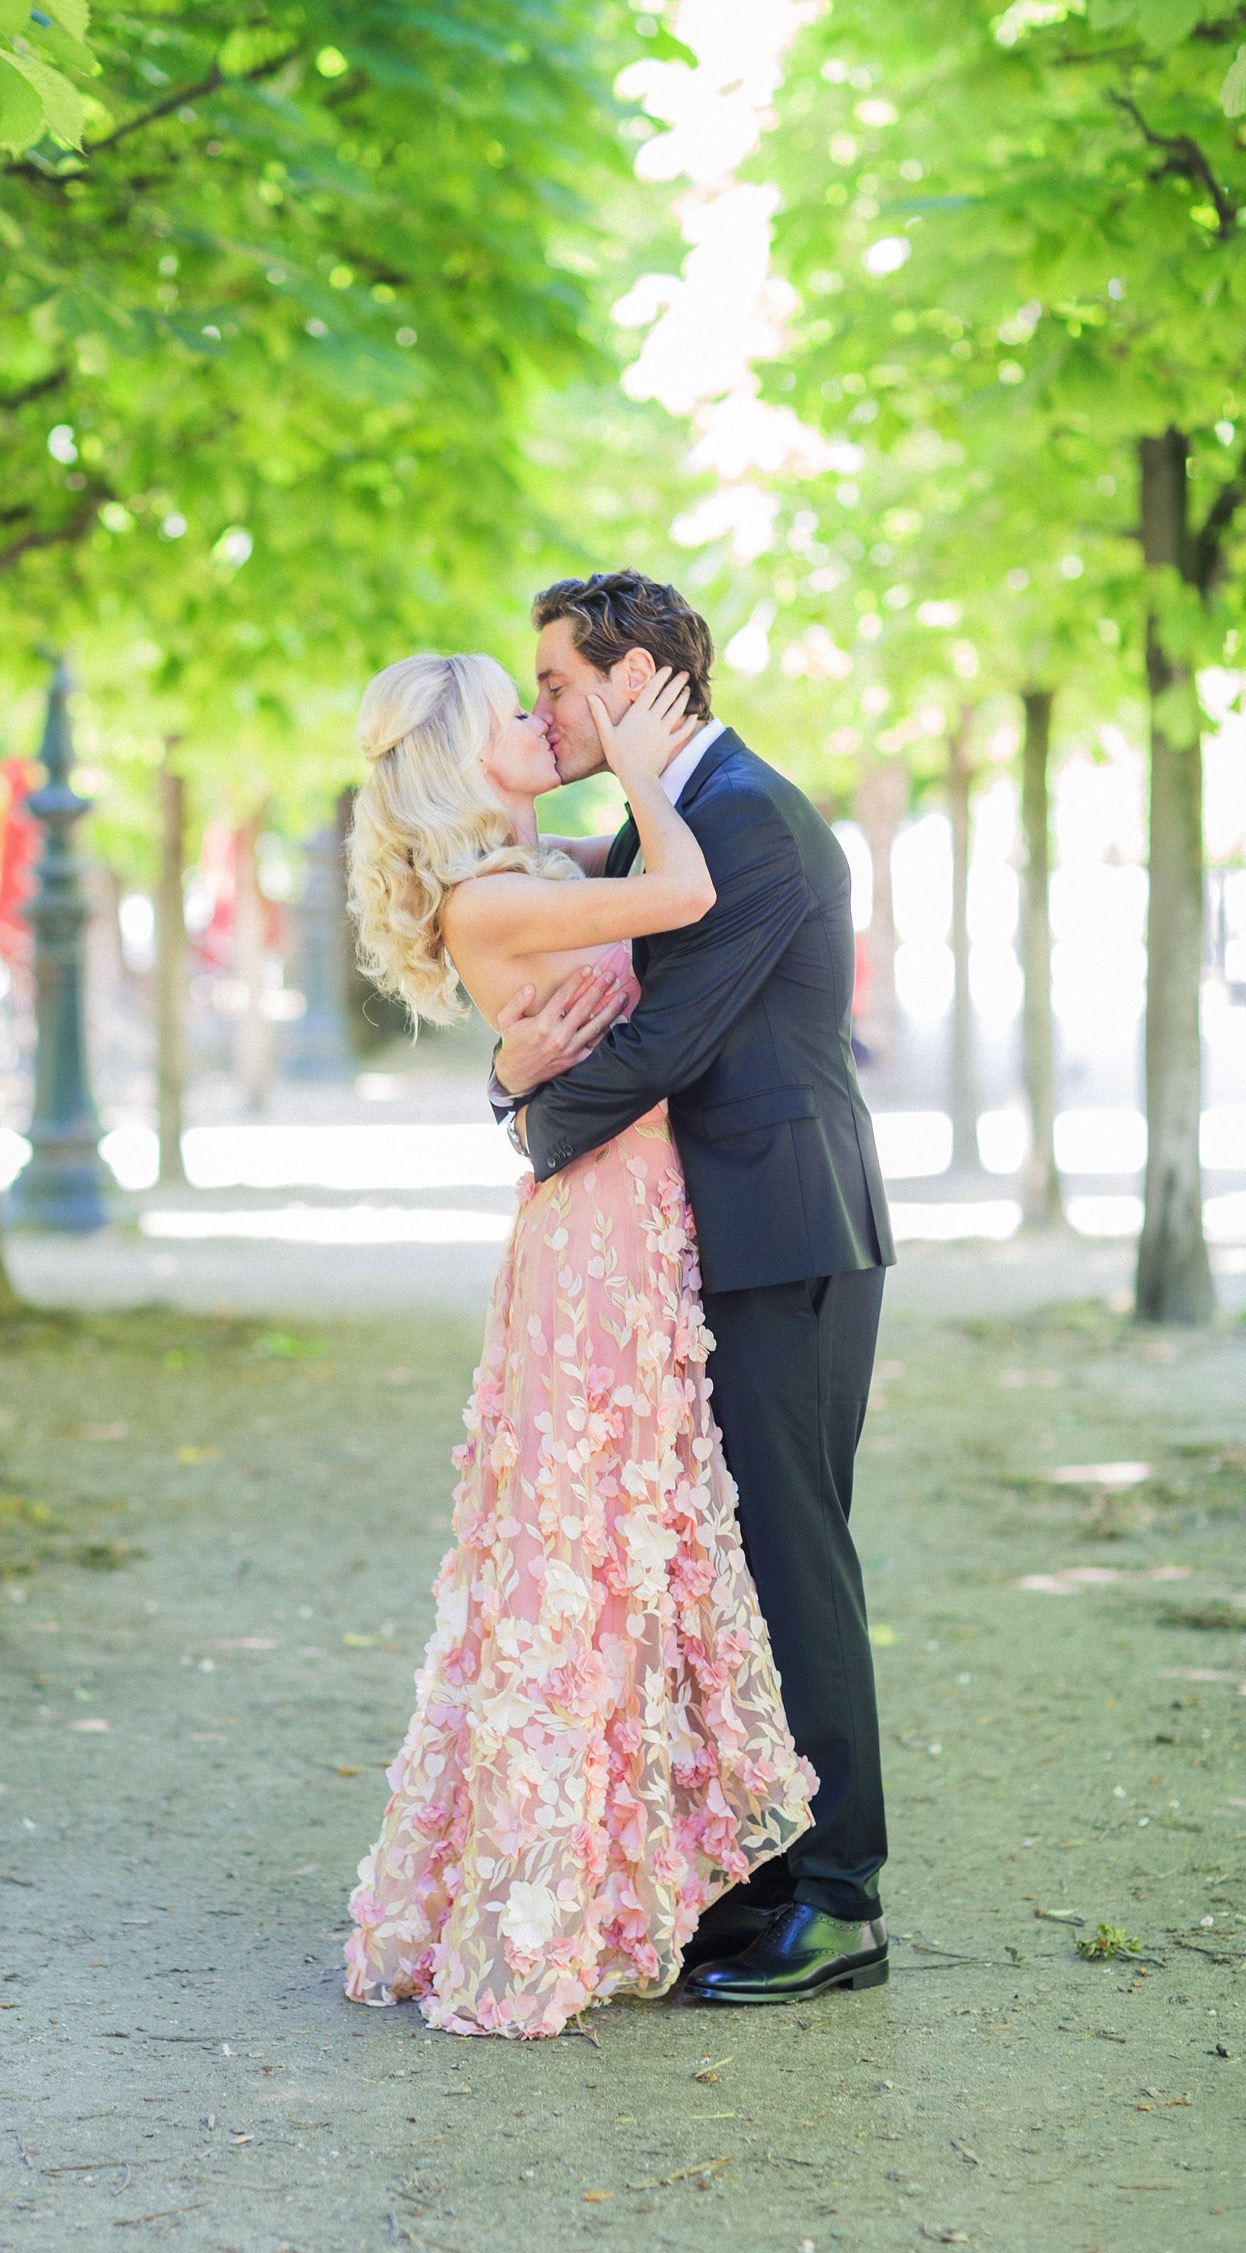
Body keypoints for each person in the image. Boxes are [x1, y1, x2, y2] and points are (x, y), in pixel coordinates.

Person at [342, 649, 817, 2040]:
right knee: (581, 1547)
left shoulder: (524, 865)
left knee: (624, 1537)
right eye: (517, 712)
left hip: (627, 1206)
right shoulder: (497, 892)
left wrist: (619, 774)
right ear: (455, 750)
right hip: (599, 1226)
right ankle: (548, 1899)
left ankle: (616, 1878)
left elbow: (633, 903)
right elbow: (679, 893)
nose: (540, 724)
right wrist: (633, 753)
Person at [492, 571, 895, 2006]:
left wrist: (529, 1121)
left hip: (787, 1238)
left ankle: (843, 1897)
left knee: (795, 1557)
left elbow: (664, 1043)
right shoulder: (669, 817)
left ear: (641, 674)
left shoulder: (749, 820)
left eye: (554, 681)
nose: (542, 708)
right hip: (719, 1238)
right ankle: (775, 1869)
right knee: (730, 1565)